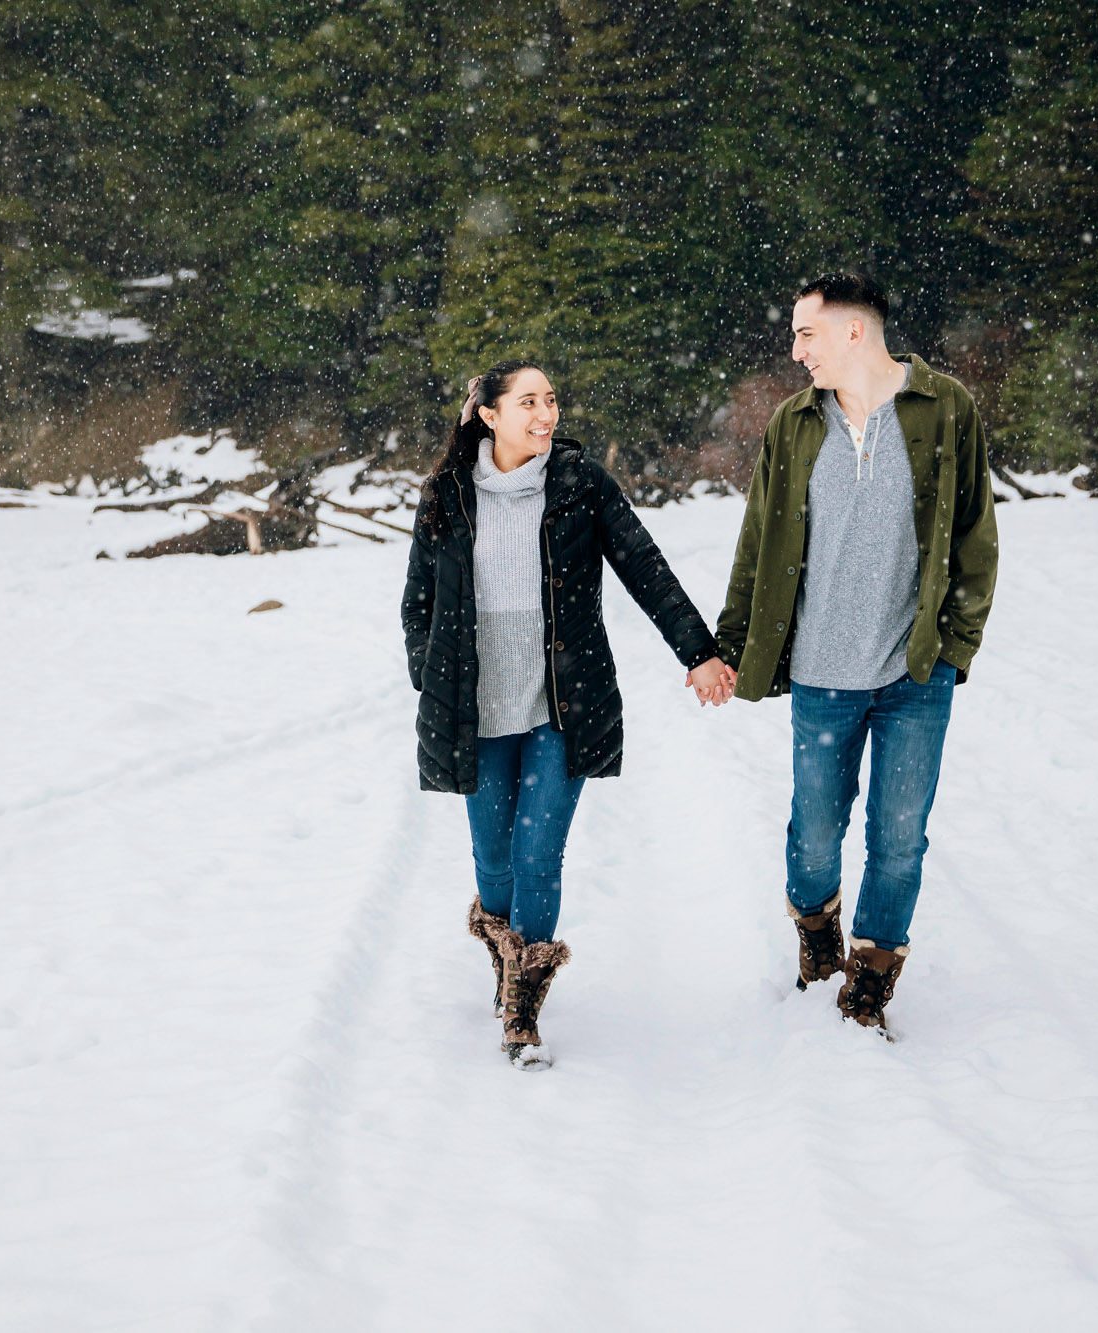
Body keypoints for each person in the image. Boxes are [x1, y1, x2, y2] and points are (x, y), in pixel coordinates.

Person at [403, 360, 736, 1069]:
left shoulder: (582, 485)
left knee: (537, 853)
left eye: (551, 399)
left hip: (563, 704)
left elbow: (645, 567)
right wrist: (432, 679)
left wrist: (699, 651)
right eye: (529, 401)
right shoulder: (447, 496)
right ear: (489, 414)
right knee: (494, 861)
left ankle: (523, 1003)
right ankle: (507, 953)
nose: (546, 413)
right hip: (478, 708)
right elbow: (418, 606)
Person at [715, 273, 998, 1036]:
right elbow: (759, 540)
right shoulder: (795, 422)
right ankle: (816, 937)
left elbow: (974, 535)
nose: (796, 349)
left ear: (853, 331)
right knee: (814, 830)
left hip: (915, 673)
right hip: (819, 672)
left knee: (900, 836)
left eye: (806, 333)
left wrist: (954, 648)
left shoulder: (945, 410)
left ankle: (870, 977)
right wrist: (730, 642)